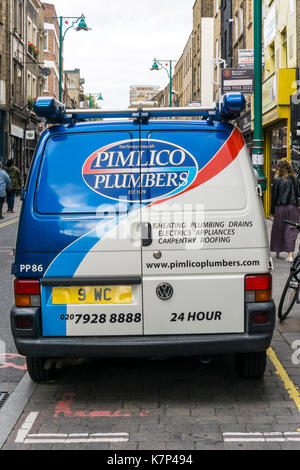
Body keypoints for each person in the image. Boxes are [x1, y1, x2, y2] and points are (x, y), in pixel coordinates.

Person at [270, 160, 300, 262]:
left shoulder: (277, 180)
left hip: (280, 208)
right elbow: (298, 194)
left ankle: (278, 251)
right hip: (293, 207)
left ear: (278, 168)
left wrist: (272, 210)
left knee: (279, 229)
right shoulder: (294, 180)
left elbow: (274, 196)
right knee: (291, 230)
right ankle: (290, 255)